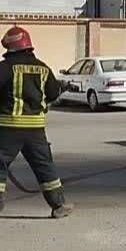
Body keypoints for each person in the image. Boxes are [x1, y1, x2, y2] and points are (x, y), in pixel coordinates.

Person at [0, 26, 73, 218]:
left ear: (10, 47)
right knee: (44, 165)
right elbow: (53, 93)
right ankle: (59, 205)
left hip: (8, 127)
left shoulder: (4, 67)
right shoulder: (42, 67)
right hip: (35, 129)